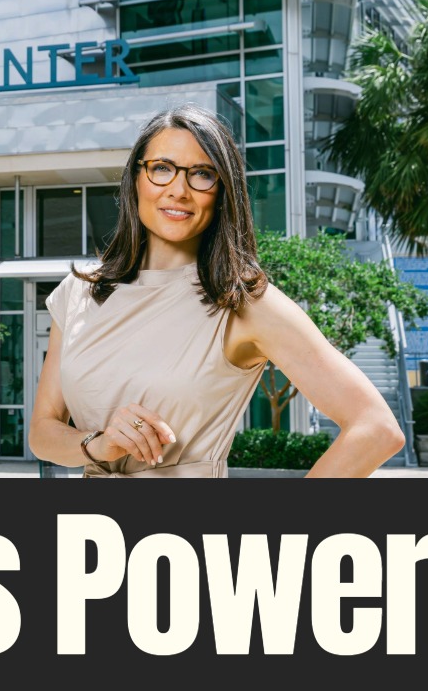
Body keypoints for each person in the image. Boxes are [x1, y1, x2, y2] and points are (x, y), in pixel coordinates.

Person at [27, 103, 404, 478]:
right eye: (161, 168)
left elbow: (376, 429)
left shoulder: (243, 303)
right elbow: (42, 432)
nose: (178, 190)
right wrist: (98, 443)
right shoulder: (79, 292)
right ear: (135, 179)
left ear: (222, 192)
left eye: (202, 175)